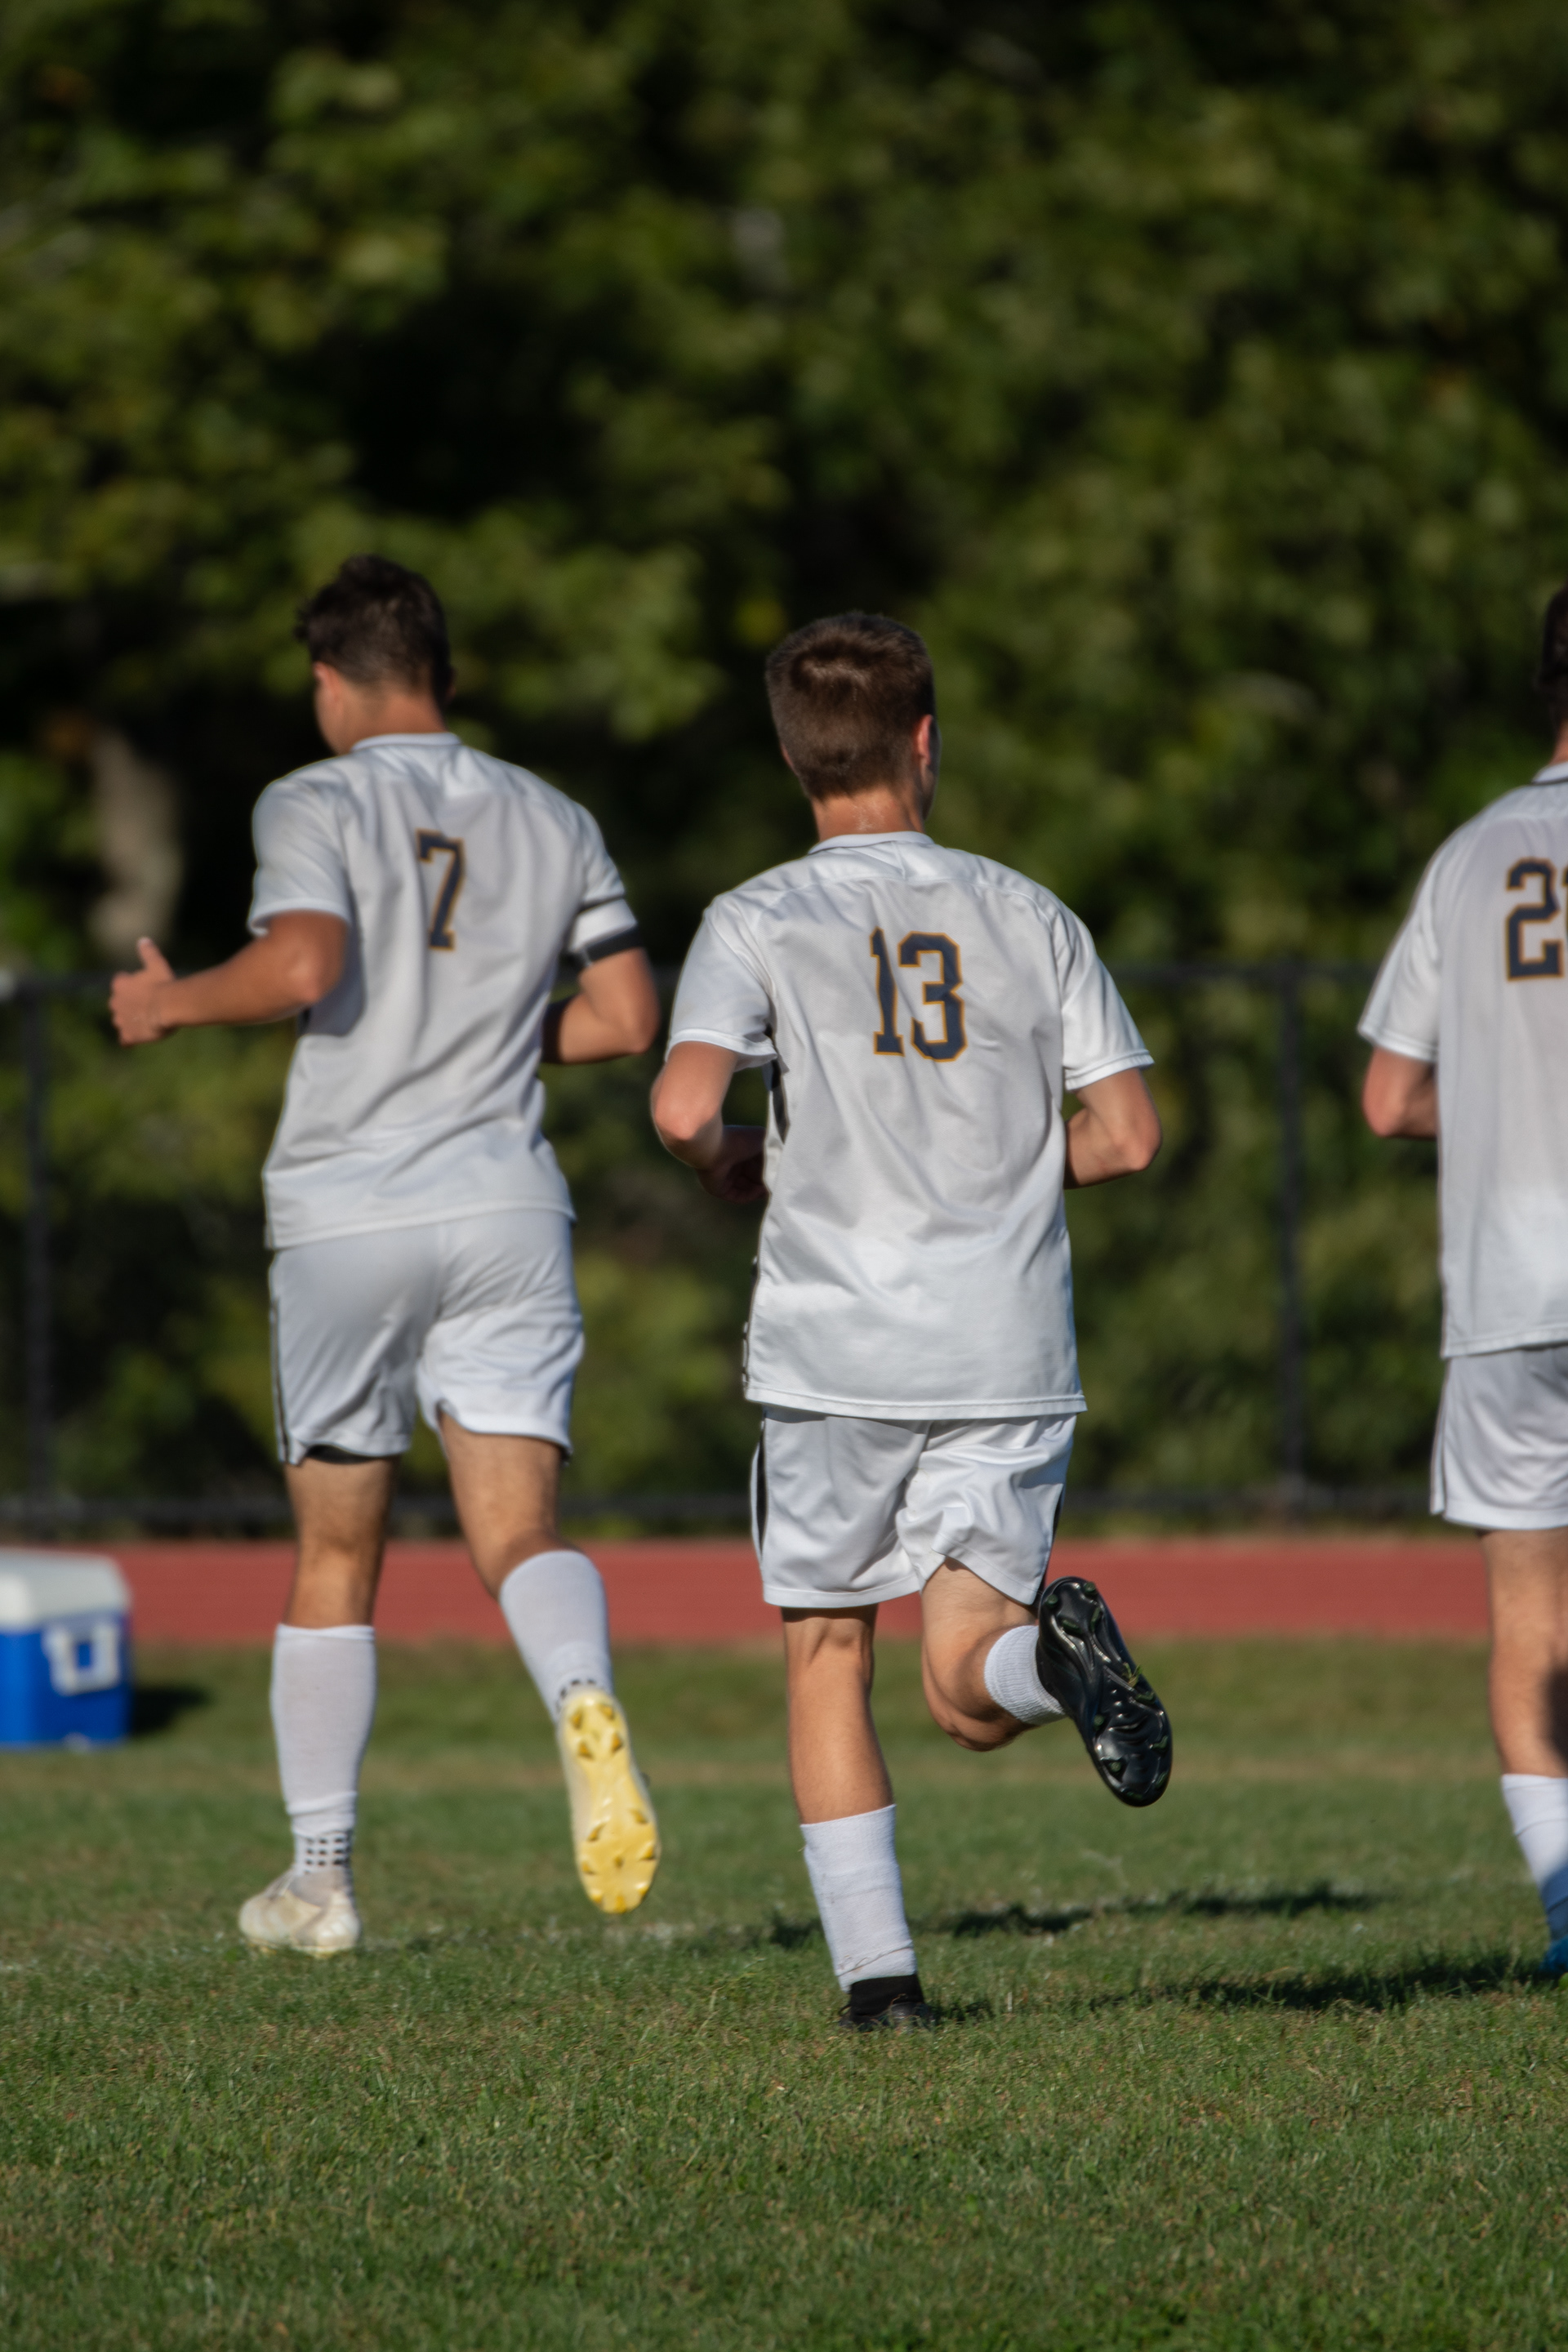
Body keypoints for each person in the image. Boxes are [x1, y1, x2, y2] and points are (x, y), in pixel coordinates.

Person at [110, 554, 662, 1954]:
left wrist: (173, 1005)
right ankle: (581, 1694)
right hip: (508, 1209)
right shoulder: (554, 812)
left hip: (350, 1211)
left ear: (329, 684)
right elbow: (626, 1018)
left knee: (336, 1552)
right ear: (445, 678)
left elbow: (302, 966)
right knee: (517, 1531)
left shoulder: (311, 796)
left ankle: (321, 1881)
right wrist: (482, 1037)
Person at [650, 612, 1172, 2030]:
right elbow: (1128, 1136)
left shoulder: (757, 915)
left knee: (832, 1653)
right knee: (964, 1688)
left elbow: (685, 1106)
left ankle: (882, 1992)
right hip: (1005, 1343)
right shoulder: (1028, 911)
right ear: (924, 744)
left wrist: (734, 1159)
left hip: (839, 1346)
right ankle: (1052, 1663)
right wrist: (996, 1170)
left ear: (791, 758)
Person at [1361, 579, 1568, 1980]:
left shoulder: (1473, 851)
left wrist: (1498, 1112)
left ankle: (1567, 1919)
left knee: (1530, 1614)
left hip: (1508, 1289)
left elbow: (1389, 1099)